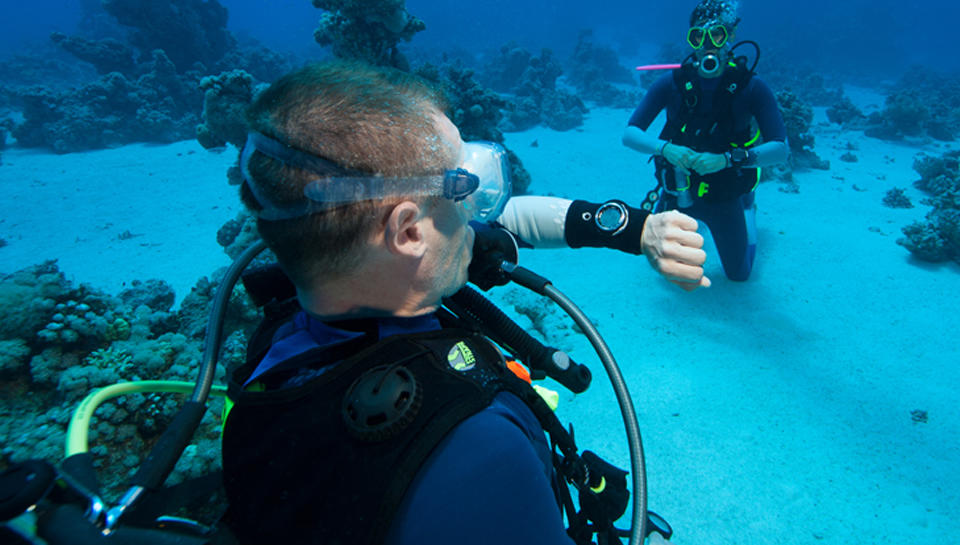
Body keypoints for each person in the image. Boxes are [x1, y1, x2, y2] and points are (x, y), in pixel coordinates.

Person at [220, 60, 686, 545]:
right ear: (406, 233)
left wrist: (636, 229)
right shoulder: (483, 456)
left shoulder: (285, 336)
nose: (476, 208)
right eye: (461, 187)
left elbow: (504, 225)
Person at [623, 0, 789, 281]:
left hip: (726, 194)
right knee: (667, 269)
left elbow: (781, 149)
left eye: (718, 35)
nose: (708, 44)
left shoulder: (752, 87)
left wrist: (727, 159)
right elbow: (630, 134)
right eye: (698, 36)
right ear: (691, 40)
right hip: (677, 190)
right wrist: (666, 148)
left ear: (730, 37)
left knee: (739, 275)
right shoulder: (671, 83)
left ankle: (748, 207)